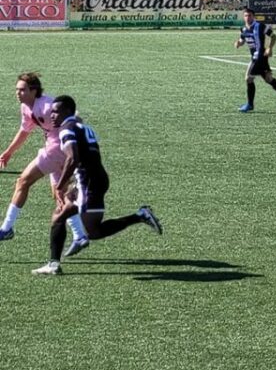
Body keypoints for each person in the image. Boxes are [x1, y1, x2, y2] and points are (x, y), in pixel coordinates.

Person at [32, 95, 162, 276]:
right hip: (90, 180)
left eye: (56, 112)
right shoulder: (83, 127)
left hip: (88, 184)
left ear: (67, 111)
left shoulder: (66, 129)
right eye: (51, 112)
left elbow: (72, 158)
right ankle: (53, 264)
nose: (52, 115)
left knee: (94, 232)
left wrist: (61, 185)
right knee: (58, 216)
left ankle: (139, 216)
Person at [0, 73, 88, 253]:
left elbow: (75, 118)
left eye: (23, 90)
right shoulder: (26, 107)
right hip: (55, 150)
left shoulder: (47, 106)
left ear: (34, 91)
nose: (18, 93)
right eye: (17, 90)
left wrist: (79, 144)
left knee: (23, 181)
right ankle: (80, 235)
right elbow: (24, 131)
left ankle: (6, 228)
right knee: (60, 196)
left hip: (56, 150)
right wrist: (8, 152)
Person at [235, 8, 276, 113]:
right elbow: (242, 39)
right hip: (256, 57)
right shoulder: (244, 29)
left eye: (249, 16)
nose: (247, 18)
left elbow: (273, 36)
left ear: (253, 16)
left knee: (248, 78)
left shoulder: (260, 26)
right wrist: (238, 43)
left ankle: (250, 104)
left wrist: (270, 48)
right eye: (245, 16)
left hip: (260, 56)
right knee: (268, 79)